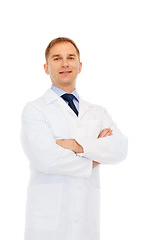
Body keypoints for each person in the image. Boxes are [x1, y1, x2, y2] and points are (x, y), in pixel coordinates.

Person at [21, 37, 128, 240]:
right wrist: (96, 156)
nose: (65, 63)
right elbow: (45, 159)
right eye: (57, 58)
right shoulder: (35, 110)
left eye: (70, 57)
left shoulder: (98, 112)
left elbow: (120, 148)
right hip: (48, 225)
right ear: (46, 67)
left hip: (87, 222)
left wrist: (74, 146)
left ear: (79, 66)